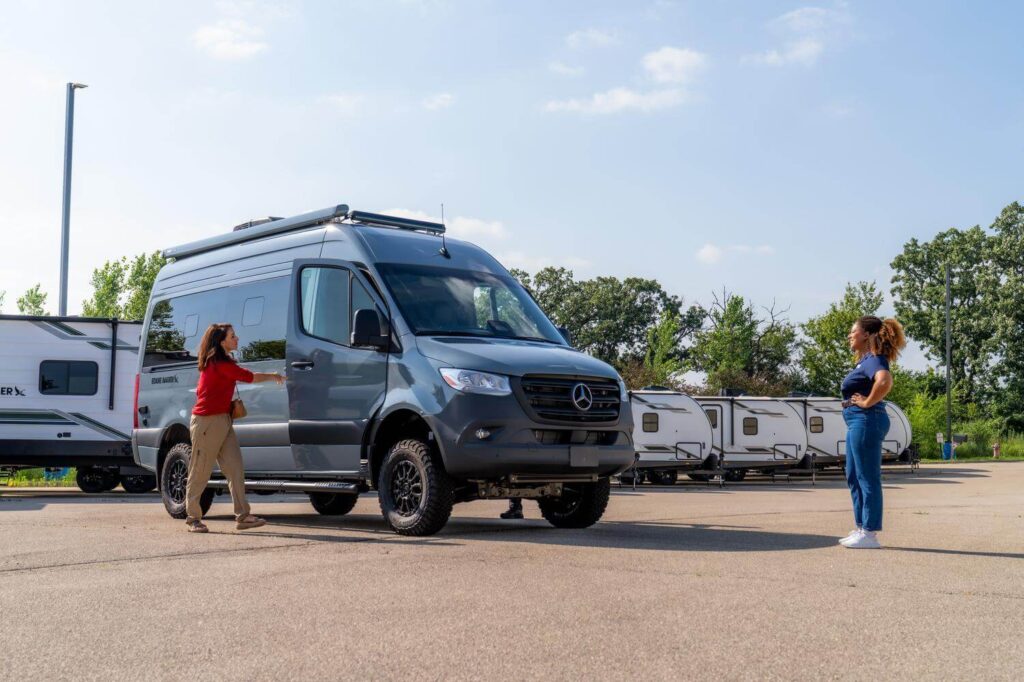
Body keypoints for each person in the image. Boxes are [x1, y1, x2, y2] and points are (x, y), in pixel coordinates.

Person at [185, 323, 285, 533]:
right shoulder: (219, 362)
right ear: (222, 342)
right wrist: (272, 375)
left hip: (223, 420)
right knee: (200, 470)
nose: (237, 338)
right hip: (206, 422)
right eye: (233, 336)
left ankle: (243, 516)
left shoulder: (222, 361)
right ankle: (193, 518)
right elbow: (249, 376)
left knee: (235, 468)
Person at [838, 316, 906, 549]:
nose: (850, 335)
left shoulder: (874, 360)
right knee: (854, 475)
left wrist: (867, 402)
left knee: (867, 477)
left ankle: (870, 532)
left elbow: (884, 380)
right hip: (857, 420)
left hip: (866, 419)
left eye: (853, 331)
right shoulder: (865, 360)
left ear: (866, 335)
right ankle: (861, 527)